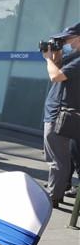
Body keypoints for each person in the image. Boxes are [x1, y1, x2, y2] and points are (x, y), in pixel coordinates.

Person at [42, 22, 80, 208]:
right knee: (56, 158)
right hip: (55, 111)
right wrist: (55, 55)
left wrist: (48, 59)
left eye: (67, 38)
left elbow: (56, 76)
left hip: (61, 114)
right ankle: (56, 190)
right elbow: (57, 71)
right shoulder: (73, 56)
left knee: (58, 159)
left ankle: (53, 196)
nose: (65, 42)